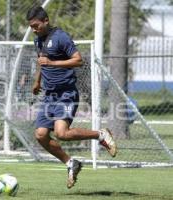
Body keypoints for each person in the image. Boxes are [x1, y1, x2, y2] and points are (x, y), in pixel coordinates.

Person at [26, 6, 117, 189]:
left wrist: (53, 62)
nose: (34, 30)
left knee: (62, 133)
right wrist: (37, 82)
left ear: (46, 20)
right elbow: (41, 63)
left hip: (66, 93)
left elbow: (78, 60)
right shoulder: (38, 40)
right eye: (31, 27)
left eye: (36, 26)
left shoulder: (61, 37)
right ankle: (70, 164)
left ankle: (101, 135)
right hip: (49, 96)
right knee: (40, 135)